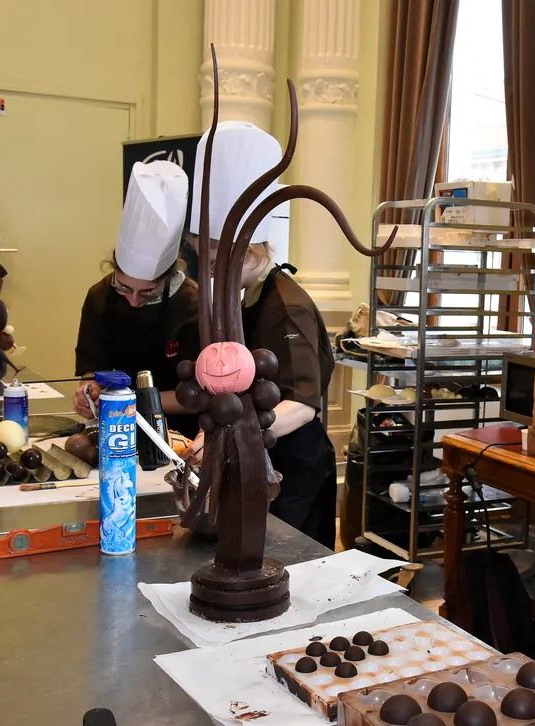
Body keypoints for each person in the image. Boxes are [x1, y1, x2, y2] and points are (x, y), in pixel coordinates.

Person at [184, 121, 338, 550]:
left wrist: (232, 432)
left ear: (247, 251)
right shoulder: (247, 297)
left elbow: (302, 405)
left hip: (295, 466)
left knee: (293, 563)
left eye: (213, 261)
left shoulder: (287, 307)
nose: (208, 272)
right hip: (263, 458)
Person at [73, 160, 202, 438]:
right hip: (115, 427)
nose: (133, 300)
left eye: (147, 292)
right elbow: (92, 367)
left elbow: (195, 397)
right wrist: (89, 390)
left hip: (178, 434)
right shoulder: (99, 296)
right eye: (123, 288)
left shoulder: (194, 305)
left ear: (167, 277)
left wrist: (126, 401)